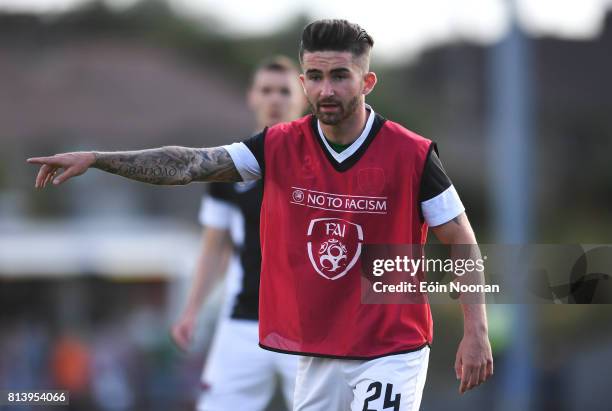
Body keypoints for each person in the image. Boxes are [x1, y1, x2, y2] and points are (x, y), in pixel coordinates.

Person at [28, 19, 493, 411]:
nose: (325, 89)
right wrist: (98, 158)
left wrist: (476, 333)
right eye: (314, 76)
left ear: (367, 82)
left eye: (339, 76)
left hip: (392, 347)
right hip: (317, 349)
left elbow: (460, 238)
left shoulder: (410, 155)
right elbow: (189, 164)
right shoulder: (277, 146)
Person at [170, 56, 306, 411]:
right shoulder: (230, 167)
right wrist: (192, 310)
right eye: (266, 90)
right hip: (244, 320)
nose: (275, 99)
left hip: (308, 325)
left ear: (302, 98)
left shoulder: (322, 163)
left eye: (284, 91)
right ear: (252, 97)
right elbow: (214, 248)